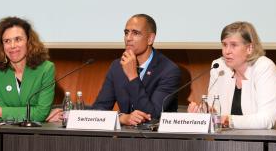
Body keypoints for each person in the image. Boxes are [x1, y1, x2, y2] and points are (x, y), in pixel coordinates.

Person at [49, 14, 181, 126]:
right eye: (126, 32)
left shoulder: (169, 71)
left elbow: (152, 117)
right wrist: (122, 118)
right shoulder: (117, 66)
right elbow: (99, 110)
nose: (128, 38)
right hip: (123, 140)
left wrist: (133, 77)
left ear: (150, 39)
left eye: (135, 33)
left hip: (158, 143)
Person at [188, 21, 276, 129]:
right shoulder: (219, 67)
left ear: (249, 48)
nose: (227, 51)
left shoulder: (264, 67)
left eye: (233, 45)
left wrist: (227, 120)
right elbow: (216, 112)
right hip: (237, 141)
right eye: (224, 45)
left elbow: (266, 120)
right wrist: (203, 113)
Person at [0, 16, 55, 122]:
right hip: (8, 133)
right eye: (7, 41)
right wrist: (37, 115)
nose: (12, 46)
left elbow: (41, 113)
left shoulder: (46, 69)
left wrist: (3, 112)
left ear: (29, 42)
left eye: (18, 39)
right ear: (2, 45)